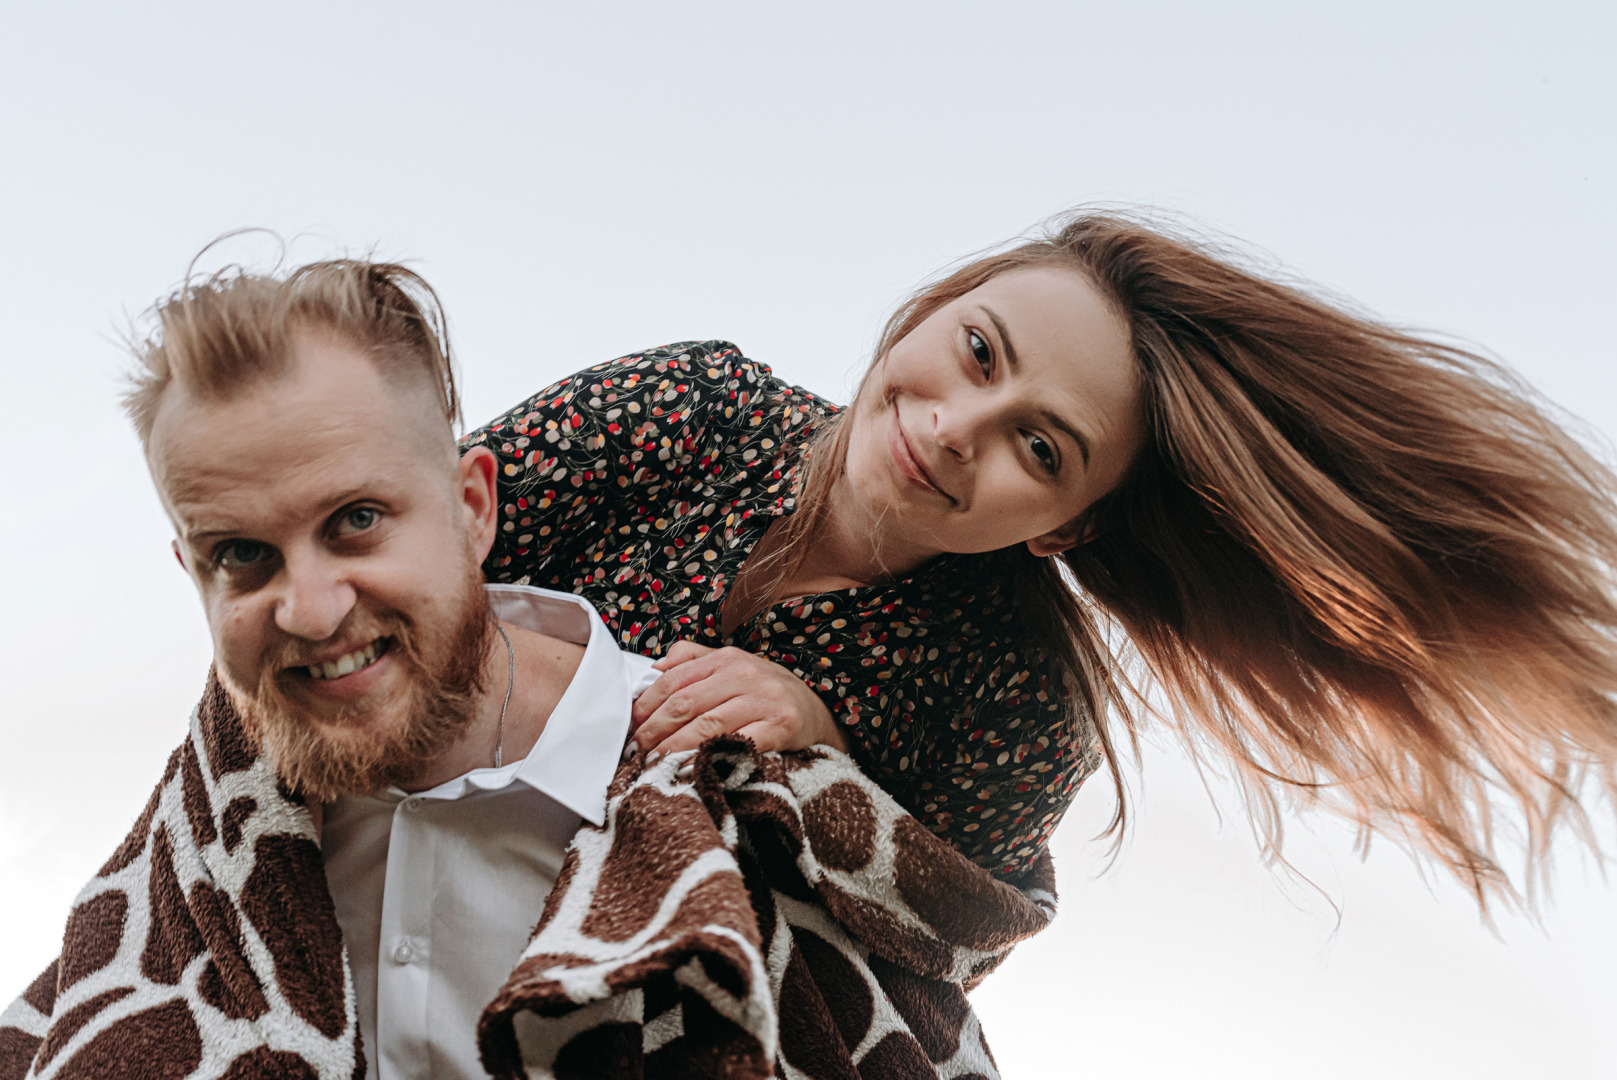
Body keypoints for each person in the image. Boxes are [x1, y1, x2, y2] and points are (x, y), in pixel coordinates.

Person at [0, 261, 1043, 1080]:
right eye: (242, 554)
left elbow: (948, 936)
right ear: (190, 571)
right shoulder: (198, 857)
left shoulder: (751, 832)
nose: (311, 610)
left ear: (477, 507)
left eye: (356, 521)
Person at [468, 209, 1617, 902]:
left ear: (1062, 527)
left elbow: (937, 975)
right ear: (931, 308)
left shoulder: (1019, 698)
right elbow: (401, 550)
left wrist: (820, 765)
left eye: (1040, 444)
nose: (959, 427)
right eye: (978, 350)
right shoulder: (693, 403)